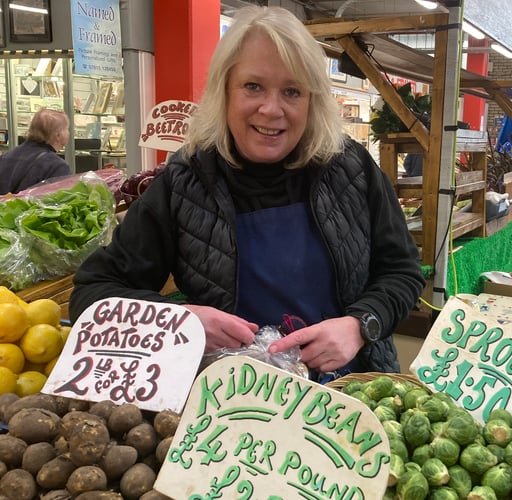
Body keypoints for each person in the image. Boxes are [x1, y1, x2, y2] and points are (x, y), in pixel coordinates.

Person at [69, 5, 425, 381]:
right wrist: (179, 321)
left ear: (312, 100)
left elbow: (402, 272)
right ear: (224, 90)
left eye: (292, 91)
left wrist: (359, 325)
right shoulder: (185, 182)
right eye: (253, 86)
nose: (272, 110)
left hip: (352, 395)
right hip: (233, 409)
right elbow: (92, 294)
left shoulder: (351, 168)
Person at [0, 108, 71, 194]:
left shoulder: (6, 156)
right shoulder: (57, 166)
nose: (69, 133)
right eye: (67, 129)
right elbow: (57, 202)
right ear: (58, 134)